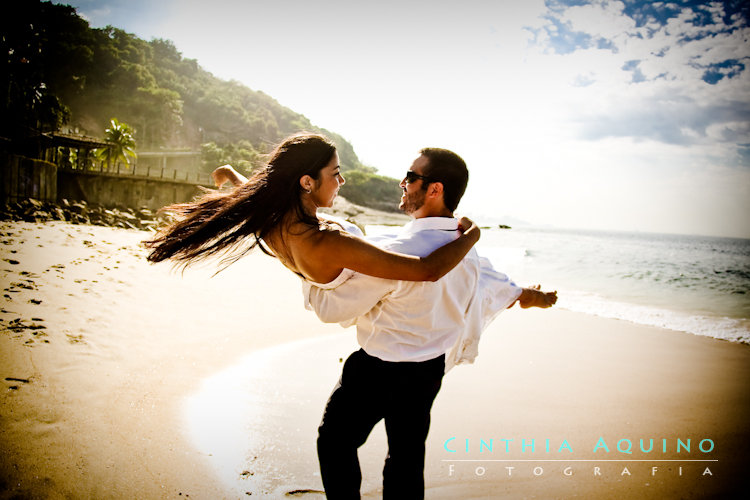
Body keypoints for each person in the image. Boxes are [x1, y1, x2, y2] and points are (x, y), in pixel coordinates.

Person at [303, 147, 557, 499]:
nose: (402, 183)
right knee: (406, 458)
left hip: (378, 368)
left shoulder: (397, 250)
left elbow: (333, 310)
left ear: (434, 189)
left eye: (410, 177)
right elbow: (505, 290)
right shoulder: (467, 252)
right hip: (427, 372)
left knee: (334, 441)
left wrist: (305, 273)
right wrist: (538, 297)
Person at [144, 133, 480, 285]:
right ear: (306, 182)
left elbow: (253, 193)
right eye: (335, 174)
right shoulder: (329, 242)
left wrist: (233, 176)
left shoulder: (272, 218)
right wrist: (471, 237)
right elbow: (427, 271)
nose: (342, 181)